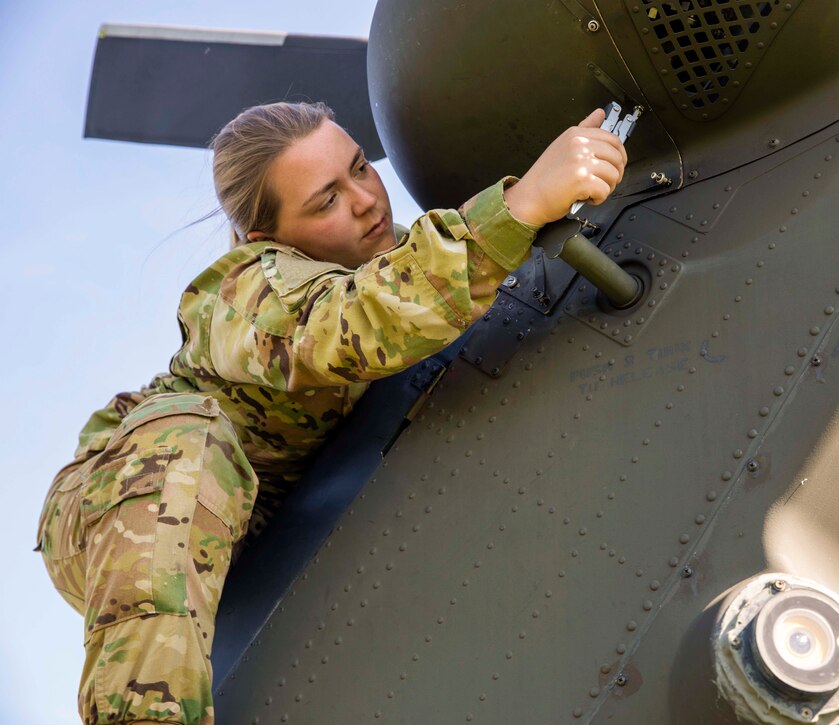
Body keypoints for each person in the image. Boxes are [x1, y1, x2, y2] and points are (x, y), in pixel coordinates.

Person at [36, 101, 628, 725]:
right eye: (326, 201)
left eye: (360, 168)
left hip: (259, 521)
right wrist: (521, 205)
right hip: (132, 498)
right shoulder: (243, 291)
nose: (367, 200)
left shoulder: (414, 261)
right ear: (268, 238)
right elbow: (357, 320)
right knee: (186, 441)